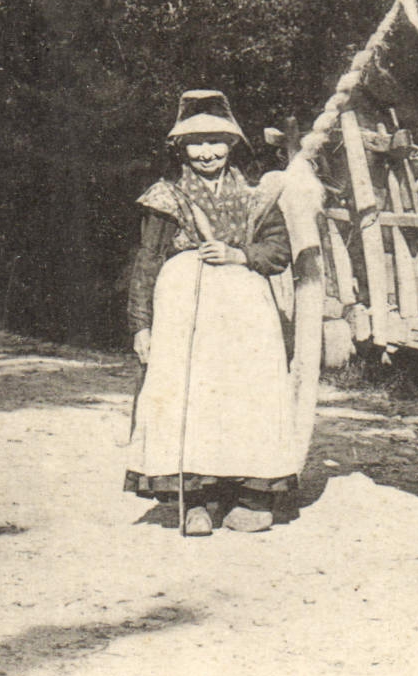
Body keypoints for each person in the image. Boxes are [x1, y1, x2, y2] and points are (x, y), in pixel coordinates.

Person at [125, 90, 295, 535]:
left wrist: (239, 255)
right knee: (189, 395)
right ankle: (195, 499)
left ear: (232, 144)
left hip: (246, 316)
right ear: (180, 148)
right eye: (195, 143)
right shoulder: (167, 197)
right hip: (185, 312)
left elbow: (279, 252)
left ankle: (252, 496)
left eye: (216, 141)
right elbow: (147, 261)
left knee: (247, 395)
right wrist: (141, 325)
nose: (206, 153)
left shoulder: (257, 196)